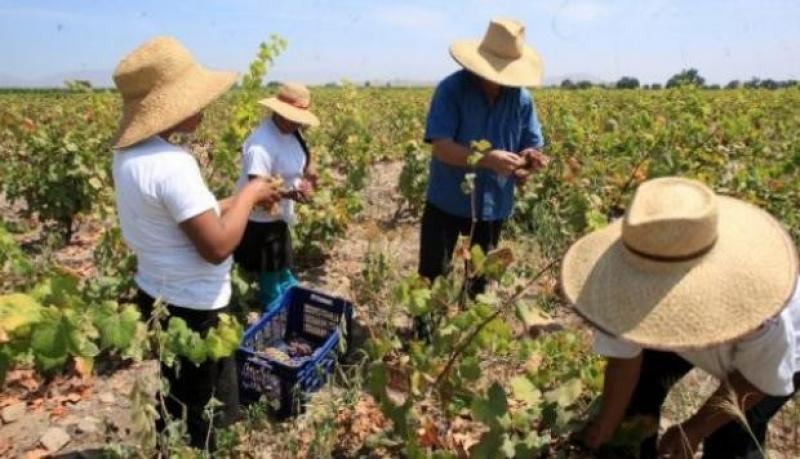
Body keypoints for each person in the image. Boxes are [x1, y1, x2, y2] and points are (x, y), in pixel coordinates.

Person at [111, 36, 280, 450]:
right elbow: (218, 246)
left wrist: (234, 201)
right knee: (210, 412)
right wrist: (249, 195)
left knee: (176, 392)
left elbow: (183, 218)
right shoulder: (174, 164)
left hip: (157, 296)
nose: (202, 103)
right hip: (197, 305)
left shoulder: (130, 156)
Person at [560, 176, 800, 458]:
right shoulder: (622, 281)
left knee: (732, 434)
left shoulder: (757, 302)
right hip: (741, 345)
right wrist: (607, 426)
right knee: (637, 395)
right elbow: (624, 362)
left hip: (777, 359)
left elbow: (757, 382)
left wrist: (694, 428)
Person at [420, 18, 549, 298]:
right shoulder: (451, 90)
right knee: (432, 278)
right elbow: (441, 147)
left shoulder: (522, 99)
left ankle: (468, 334)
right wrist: (488, 159)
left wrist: (528, 162)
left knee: (479, 281)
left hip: (493, 206)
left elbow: (531, 144)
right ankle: (426, 337)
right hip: (447, 201)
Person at [233, 82, 319, 309]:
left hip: (278, 216)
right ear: (278, 112)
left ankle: (289, 298)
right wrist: (291, 193)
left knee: (282, 271)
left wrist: (309, 176)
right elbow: (257, 191)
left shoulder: (293, 133)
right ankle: (275, 314)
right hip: (260, 222)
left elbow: (305, 158)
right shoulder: (261, 145)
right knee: (271, 280)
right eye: (293, 117)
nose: (297, 122)